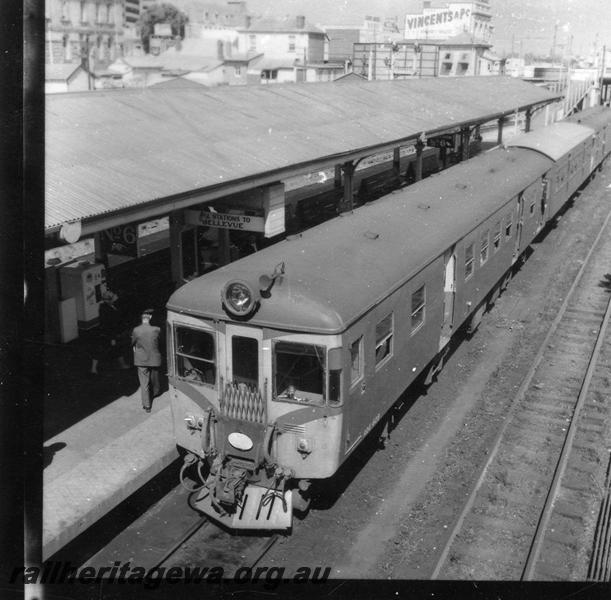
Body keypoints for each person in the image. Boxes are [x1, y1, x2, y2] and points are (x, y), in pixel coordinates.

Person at [131, 308, 162, 412]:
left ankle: (147, 405)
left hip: (141, 360)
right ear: (150, 318)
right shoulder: (156, 329)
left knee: (144, 383)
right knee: (155, 378)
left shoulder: (136, 330)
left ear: (141, 318)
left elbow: (133, 342)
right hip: (154, 358)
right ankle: (156, 392)